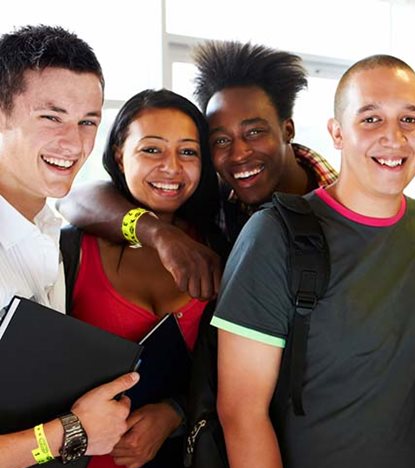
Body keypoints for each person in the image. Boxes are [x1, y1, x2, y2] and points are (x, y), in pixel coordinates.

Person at [213, 55, 415, 468]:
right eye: (370, 118)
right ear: (336, 132)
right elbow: (241, 413)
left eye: (409, 119)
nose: (393, 137)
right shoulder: (274, 237)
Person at [57, 42, 337, 300]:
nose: (239, 153)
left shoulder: (349, 203)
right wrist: (159, 234)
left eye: (254, 132)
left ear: (287, 130)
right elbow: (74, 199)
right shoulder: (218, 202)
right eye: (221, 140)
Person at [63, 89, 225, 468]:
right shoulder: (74, 249)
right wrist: (158, 233)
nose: (171, 167)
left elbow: (229, 373)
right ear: (119, 155)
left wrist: (174, 412)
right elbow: (72, 197)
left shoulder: (219, 248)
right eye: (151, 149)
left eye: (187, 152)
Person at [0, 25, 137, 468]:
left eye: (88, 121)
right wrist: (73, 432)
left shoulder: (54, 232)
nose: (74, 144)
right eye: (51, 117)